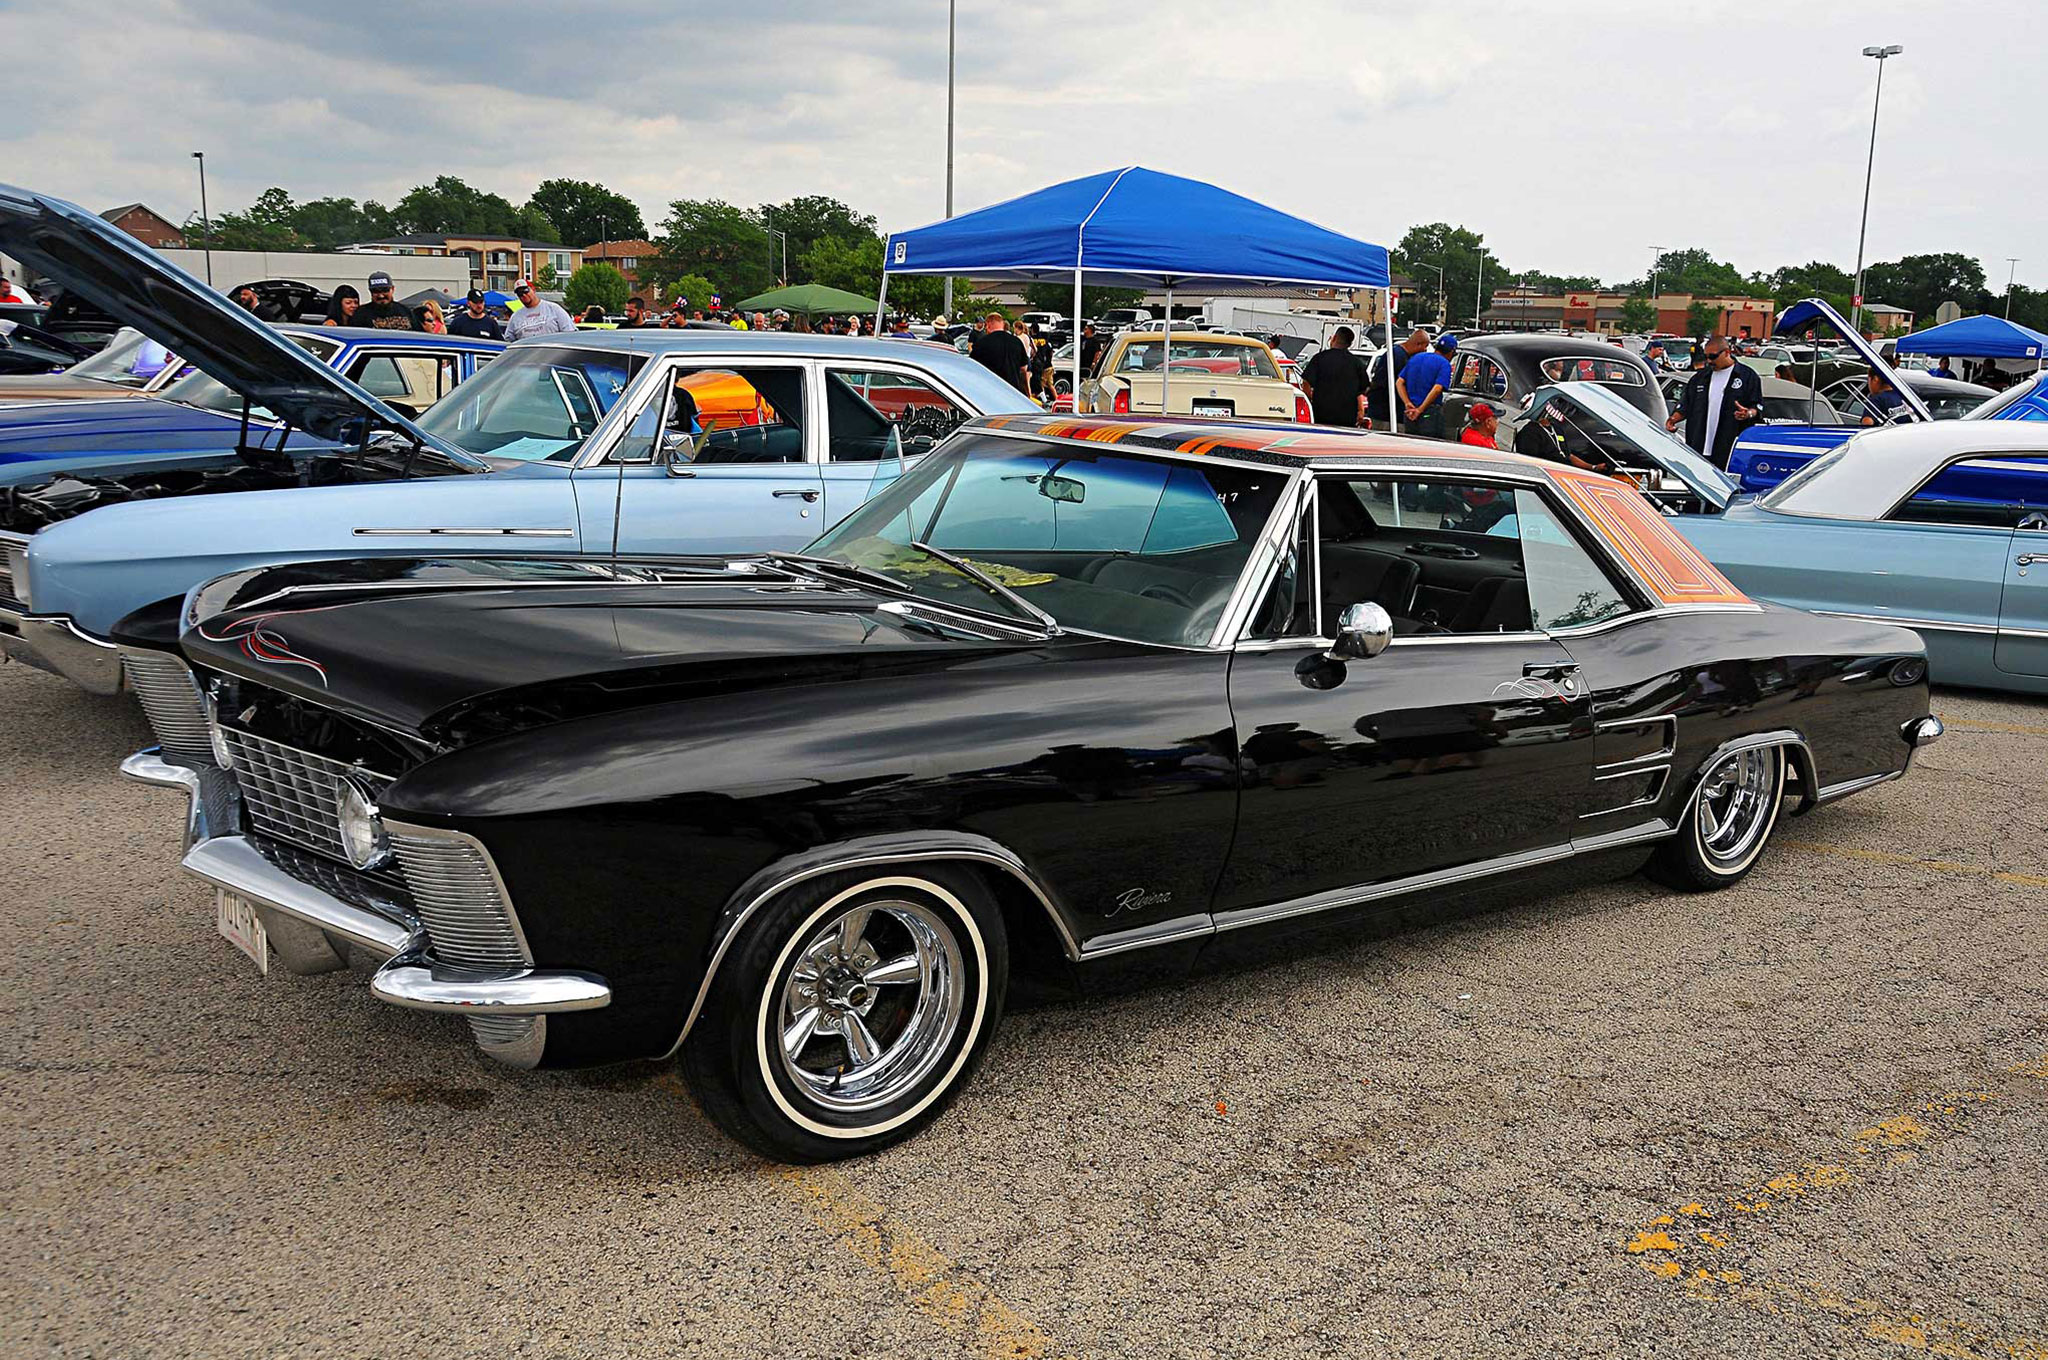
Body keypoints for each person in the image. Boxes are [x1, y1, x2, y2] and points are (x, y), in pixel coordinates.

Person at [1667, 337, 1762, 467]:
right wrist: (1673, 419)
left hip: (1728, 448)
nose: (1709, 361)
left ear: (1727, 352)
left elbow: (1756, 406)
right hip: (1698, 446)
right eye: (1706, 357)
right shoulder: (1699, 378)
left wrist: (1748, 414)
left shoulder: (1747, 376)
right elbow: (1686, 405)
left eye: (1713, 356)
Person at [1298, 325, 1366, 427]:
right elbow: (1361, 391)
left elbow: (1306, 382)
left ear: (1334, 338)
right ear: (1350, 344)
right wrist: (1360, 411)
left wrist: (1310, 401)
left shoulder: (1319, 358)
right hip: (1347, 418)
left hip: (1321, 415)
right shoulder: (1357, 364)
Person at [1398, 333, 1456, 438]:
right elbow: (1437, 388)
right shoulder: (1444, 364)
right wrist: (1420, 409)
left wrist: (1407, 402)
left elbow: (1399, 382)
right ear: (1451, 352)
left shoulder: (1416, 358)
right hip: (1429, 414)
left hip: (1409, 413)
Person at [1368, 327, 1428, 428]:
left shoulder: (1400, 355)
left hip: (1389, 413)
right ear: (1418, 344)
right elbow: (1389, 384)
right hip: (1387, 415)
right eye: (1425, 347)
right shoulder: (1397, 357)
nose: (1425, 350)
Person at [969, 311, 1030, 393]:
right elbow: (1023, 368)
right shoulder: (1016, 342)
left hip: (991, 390)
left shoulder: (982, 343)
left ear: (988, 325)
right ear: (1002, 324)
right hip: (1013, 391)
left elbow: (973, 368)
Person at [503, 279, 575, 341]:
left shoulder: (554, 309)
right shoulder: (515, 317)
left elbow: (570, 333)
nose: (524, 295)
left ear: (533, 290)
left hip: (554, 354)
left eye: (526, 291)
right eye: (520, 293)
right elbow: (508, 340)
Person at [351, 272, 418, 330]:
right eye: (376, 291)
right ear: (370, 292)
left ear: (393, 289)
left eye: (385, 290)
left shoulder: (406, 311)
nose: (381, 296)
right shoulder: (361, 314)